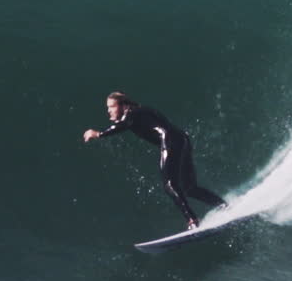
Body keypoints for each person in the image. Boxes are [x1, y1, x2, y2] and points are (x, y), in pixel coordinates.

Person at [83, 92, 226, 230]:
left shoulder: (131, 114)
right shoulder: (142, 110)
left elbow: (123, 124)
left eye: (111, 106)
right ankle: (221, 205)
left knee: (170, 185)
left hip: (170, 141)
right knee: (189, 187)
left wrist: (98, 134)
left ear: (124, 105)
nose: (109, 111)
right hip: (182, 139)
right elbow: (127, 122)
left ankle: (192, 221)